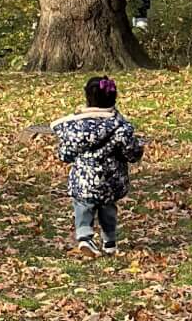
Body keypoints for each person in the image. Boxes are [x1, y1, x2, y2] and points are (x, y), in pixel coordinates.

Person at [50, 75, 144, 256]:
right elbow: (131, 152)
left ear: (87, 98)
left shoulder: (76, 128)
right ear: (113, 98)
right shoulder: (120, 127)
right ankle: (109, 241)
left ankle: (85, 237)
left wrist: (67, 156)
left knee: (83, 207)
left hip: (83, 181)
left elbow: (65, 154)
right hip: (111, 182)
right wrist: (138, 150)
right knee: (108, 210)